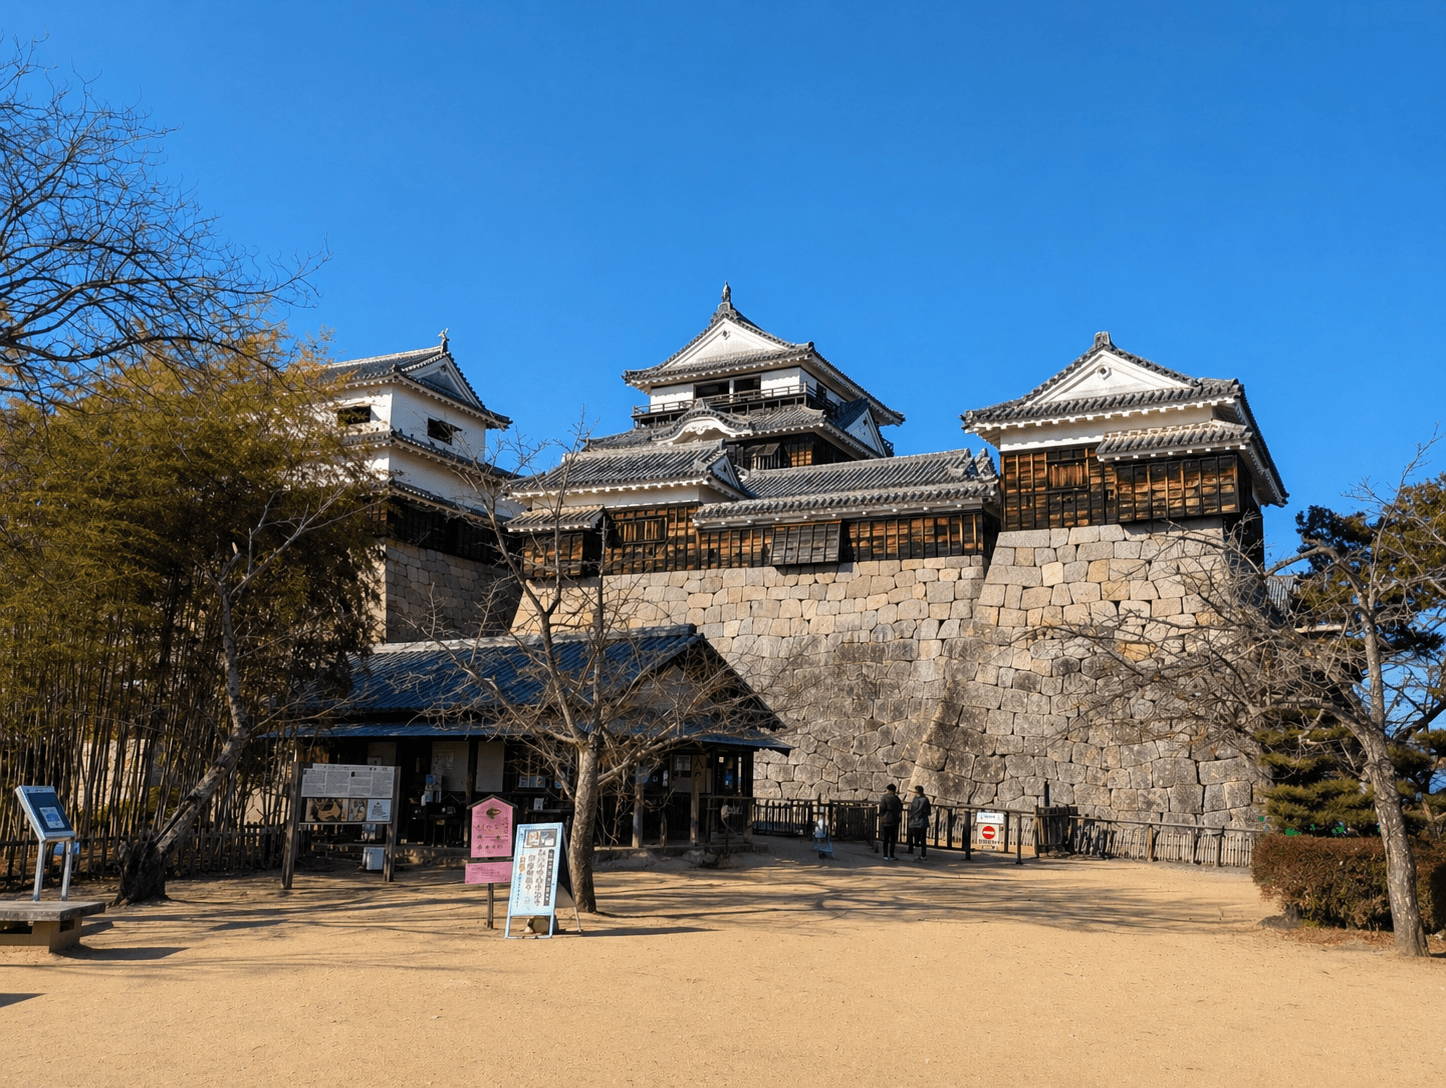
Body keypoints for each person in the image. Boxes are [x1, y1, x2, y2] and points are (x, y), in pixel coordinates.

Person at [878, 784, 902, 860]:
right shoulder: (896, 798)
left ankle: (885, 855)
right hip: (894, 820)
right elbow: (900, 808)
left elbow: (882, 809)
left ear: (888, 790)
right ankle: (892, 855)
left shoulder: (884, 798)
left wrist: (881, 817)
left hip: (886, 820)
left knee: (885, 839)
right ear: (894, 790)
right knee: (893, 840)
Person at [906, 785, 931, 861]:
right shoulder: (923, 799)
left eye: (916, 792)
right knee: (920, 839)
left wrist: (912, 816)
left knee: (918, 839)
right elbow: (928, 811)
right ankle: (922, 854)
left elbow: (916, 810)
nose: (915, 793)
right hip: (920, 822)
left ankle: (919, 854)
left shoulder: (921, 799)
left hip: (917, 822)